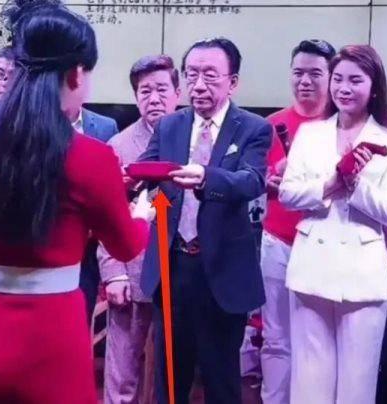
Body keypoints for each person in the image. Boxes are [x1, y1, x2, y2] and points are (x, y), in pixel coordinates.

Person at [0, 6, 153, 403]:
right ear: (76, 73)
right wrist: (140, 214)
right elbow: (127, 244)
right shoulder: (92, 157)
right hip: (49, 342)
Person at [139, 37, 272, 404]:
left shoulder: (253, 128)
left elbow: (252, 180)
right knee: (170, 378)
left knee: (221, 379)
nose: (198, 85)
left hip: (223, 270)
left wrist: (206, 177)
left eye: (210, 76)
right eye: (192, 75)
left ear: (233, 82)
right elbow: (149, 169)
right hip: (173, 265)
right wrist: (129, 177)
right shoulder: (170, 125)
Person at [279, 45, 387, 404]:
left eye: (355, 80)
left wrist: (355, 185)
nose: (344, 88)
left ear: (374, 87)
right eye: (338, 79)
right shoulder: (310, 134)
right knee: (309, 381)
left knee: (357, 382)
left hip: (363, 275)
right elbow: (288, 194)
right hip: (311, 269)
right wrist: (329, 184)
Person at [252, 39, 335, 404]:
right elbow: (252, 180)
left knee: (316, 338)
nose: (305, 81)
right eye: (298, 73)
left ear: (331, 77)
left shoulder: (339, 126)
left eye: (315, 73)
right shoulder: (269, 126)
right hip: (276, 240)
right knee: (275, 338)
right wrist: (268, 180)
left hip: (323, 242)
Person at [97, 54, 180, 404]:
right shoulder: (118, 145)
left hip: (178, 272)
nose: (154, 98)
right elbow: (105, 214)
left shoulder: (195, 138)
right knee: (122, 374)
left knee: (172, 374)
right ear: (135, 97)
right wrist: (113, 272)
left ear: (178, 93)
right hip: (131, 269)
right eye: (145, 91)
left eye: (162, 89)